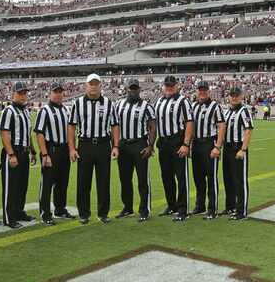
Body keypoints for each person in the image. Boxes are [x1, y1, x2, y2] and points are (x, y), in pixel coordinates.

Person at [68, 73, 120, 225]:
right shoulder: (77, 103)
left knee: (103, 181)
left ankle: (103, 213)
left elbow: (115, 125)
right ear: (86, 85)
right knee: (83, 182)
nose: (94, 86)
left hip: (104, 145)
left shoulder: (108, 103)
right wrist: (72, 148)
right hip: (85, 145)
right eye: (91, 84)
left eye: (96, 84)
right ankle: (84, 213)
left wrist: (116, 145)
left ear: (100, 86)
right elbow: (71, 126)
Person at [113, 78, 157, 222]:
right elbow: (114, 126)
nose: (133, 91)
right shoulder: (118, 104)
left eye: (135, 88)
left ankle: (144, 210)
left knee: (143, 179)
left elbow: (152, 127)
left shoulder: (146, 106)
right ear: (126, 89)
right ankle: (127, 208)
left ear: (139, 90)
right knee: (125, 179)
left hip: (139, 144)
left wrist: (150, 146)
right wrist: (115, 145)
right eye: (131, 88)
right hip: (124, 145)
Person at [154, 75, 194, 221]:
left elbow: (189, 122)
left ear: (177, 86)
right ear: (163, 86)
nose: (169, 87)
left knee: (181, 177)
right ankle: (171, 205)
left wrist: (186, 144)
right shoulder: (159, 101)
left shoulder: (183, 101)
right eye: (167, 85)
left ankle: (183, 208)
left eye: (172, 85)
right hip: (163, 143)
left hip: (177, 142)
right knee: (166, 176)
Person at [34, 82, 74, 226]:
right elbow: (39, 133)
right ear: (50, 93)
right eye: (55, 91)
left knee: (62, 182)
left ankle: (60, 208)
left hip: (64, 149)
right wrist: (45, 154)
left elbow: (70, 131)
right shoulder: (44, 110)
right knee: (47, 183)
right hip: (51, 150)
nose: (58, 94)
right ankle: (45, 213)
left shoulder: (66, 110)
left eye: (60, 91)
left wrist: (71, 149)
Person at [0, 81, 37, 229]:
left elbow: (28, 134)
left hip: (24, 152)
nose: (23, 96)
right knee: (11, 186)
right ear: (13, 94)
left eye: (24, 93)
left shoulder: (26, 111)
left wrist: (32, 151)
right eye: (20, 93)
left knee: (22, 185)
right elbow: (4, 134)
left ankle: (19, 211)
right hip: (13, 152)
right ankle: (9, 217)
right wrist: (11, 154)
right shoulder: (8, 111)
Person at [190, 80, 227, 220]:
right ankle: (200, 206)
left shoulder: (215, 106)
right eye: (200, 90)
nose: (202, 92)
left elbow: (222, 126)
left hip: (209, 144)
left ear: (208, 91)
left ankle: (212, 208)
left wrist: (218, 146)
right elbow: (191, 126)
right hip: (197, 145)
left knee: (211, 178)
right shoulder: (193, 106)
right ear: (197, 91)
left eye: (204, 90)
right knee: (198, 177)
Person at [222, 86, 254, 220]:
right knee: (228, 179)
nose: (234, 97)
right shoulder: (227, 112)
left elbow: (248, 130)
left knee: (240, 180)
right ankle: (230, 207)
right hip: (227, 148)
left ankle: (241, 211)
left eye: (236, 95)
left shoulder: (243, 111)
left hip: (238, 148)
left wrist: (243, 149)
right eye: (232, 95)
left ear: (241, 96)